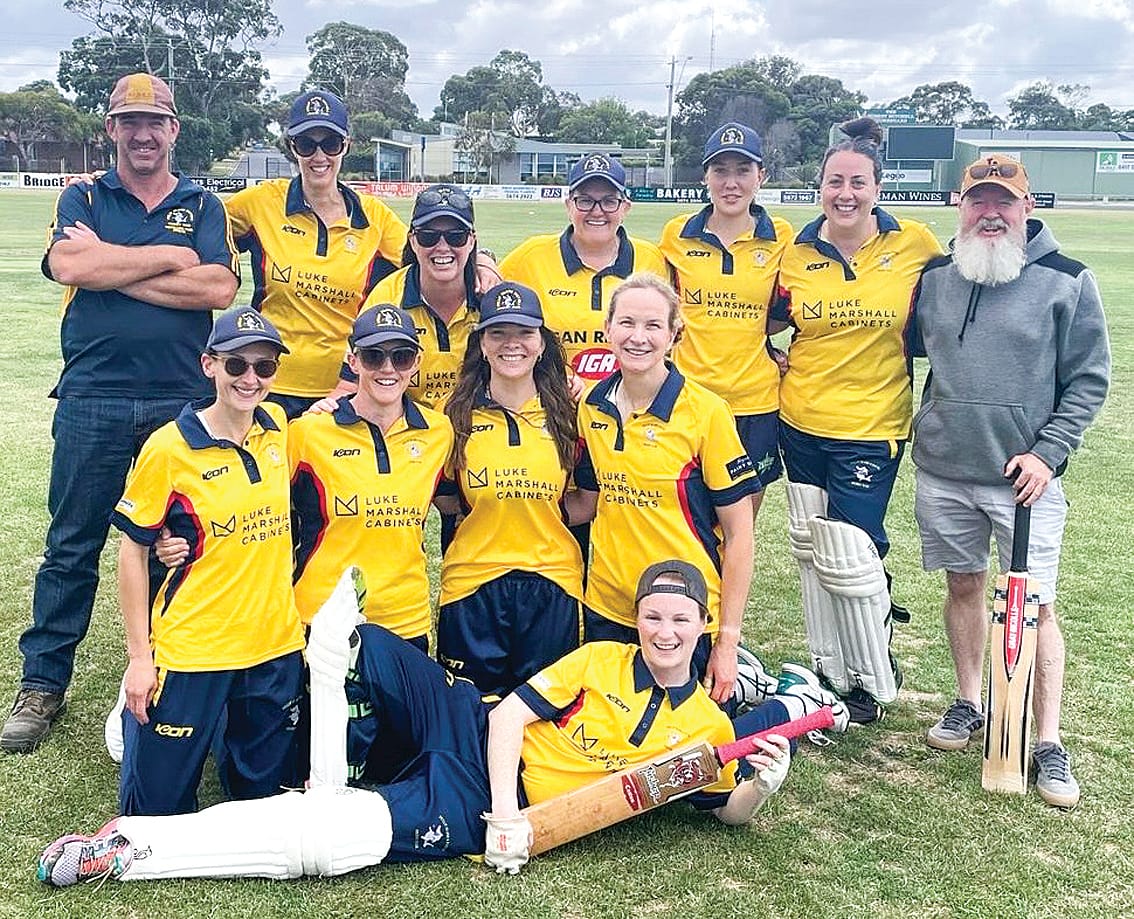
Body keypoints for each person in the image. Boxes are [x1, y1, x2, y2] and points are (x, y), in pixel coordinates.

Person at [39, 560, 848, 886]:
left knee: (338, 841)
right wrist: (505, 814)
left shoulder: (705, 726)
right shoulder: (601, 659)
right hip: (477, 735)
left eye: (679, 621)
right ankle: (170, 714)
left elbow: (724, 811)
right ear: (638, 619)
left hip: (464, 804)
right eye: (653, 617)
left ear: (703, 626)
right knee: (354, 643)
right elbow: (510, 722)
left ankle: (131, 846)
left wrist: (759, 787)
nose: (664, 632)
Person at [1, 73, 239, 755]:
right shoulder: (83, 194)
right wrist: (168, 256)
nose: (142, 134)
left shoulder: (201, 201)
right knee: (72, 543)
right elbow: (69, 263)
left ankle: (171, 665)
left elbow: (218, 286)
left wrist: (114, 263)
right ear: (111, 129)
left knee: (177, 543)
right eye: (128, 122)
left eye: (154, 122)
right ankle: (43, 683)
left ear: (174, 130)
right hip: (92, 395)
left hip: (181, 399)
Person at [911, 155, 1110, 808]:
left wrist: (1048, 454)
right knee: (963, 585)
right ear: (960, 206)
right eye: (977, 200)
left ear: (1028, 206)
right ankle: (971, 700)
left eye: (1004, 201)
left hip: (1025, 479)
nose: (989, 212)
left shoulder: (1067, 281)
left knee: (1037, 606)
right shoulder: (937, 276)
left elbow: (1089, 378)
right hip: (946, 469)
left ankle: (1047, 739)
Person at [768, 117, 943, 722]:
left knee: (855, 550)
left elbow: (951, 310)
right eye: (835, 182)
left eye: (858, 182)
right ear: (819, 186)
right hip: (800, 421)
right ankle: (828, 663)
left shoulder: (914, 244)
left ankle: (873, 672)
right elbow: (757, 323)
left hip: (873, 427)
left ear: (877, 186)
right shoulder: (796, 254)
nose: (846, 194)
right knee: (812, 543)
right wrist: (772, 355)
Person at [111, 307, 305, 815]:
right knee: (154, 813)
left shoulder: (278, 427)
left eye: (264, 367)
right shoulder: (168, 449)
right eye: (236, 365)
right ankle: (134, 717)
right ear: (208, 365)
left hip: (273, 645)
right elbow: (132, 549)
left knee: (261, 803)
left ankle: (221, 728)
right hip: (195, 648)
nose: (250, 378)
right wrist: (138, 658)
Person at [573, 273, 760, 705]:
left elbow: (739, 534)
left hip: (684, 611)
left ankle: (777, 699)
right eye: (627, 323)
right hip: (610, 605)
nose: (638, 337)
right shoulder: (591, 406)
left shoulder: (706, 412)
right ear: (608, 329)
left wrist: (727, 642)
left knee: (694, 755)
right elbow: (587, 501)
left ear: (675, 334)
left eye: (653, 326)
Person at [435, 281, 587, 699]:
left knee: (545, 716)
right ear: (481, 343)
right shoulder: (452, 416)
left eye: (524, 332)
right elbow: (444, 497)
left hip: (551, 583)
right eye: (498, 333)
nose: (511, 344)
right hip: (473, 585)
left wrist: (538, 512)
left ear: (541, 343)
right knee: (468, 712)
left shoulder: (572, 414)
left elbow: (587, 498)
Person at [222, 90, 407, 418]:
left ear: (346, 145)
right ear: (293, 147)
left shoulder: (374, 218)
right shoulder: (261, 203)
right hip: (267, 383)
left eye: (330, 143)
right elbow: (202, 225)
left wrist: (481, 260)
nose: (318, 155)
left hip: (344, 391)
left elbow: (431, 253)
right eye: (307, 144)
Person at [289, 305, 453, 647]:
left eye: (402, 357)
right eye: (373, 357)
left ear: (417, 362)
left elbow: (460, 502)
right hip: (323, 618)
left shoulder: (439, 432)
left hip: (406, 621)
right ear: (353, 361)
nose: (388, 368)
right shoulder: (306, 433)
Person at [659, 122, 792, 513]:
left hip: (755, 403)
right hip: (688, 397)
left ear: (760, 177)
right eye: (721, 171)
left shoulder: (782, 237)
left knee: (740, 527)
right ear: (706, 177)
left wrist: (769, 346)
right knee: (687, 519)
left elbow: (785, 310)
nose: (731, 183)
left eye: (742, 171)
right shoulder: (676, 235)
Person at [500, 153, 668, 387]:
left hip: (631, 407)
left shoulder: (652, 260)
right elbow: (487, 302)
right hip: (553, 406)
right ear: (569, 205)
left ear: (625, 207)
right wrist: (483, 261)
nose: (597, 211)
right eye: (585, 201)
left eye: (609, 201)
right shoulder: (529, 257)